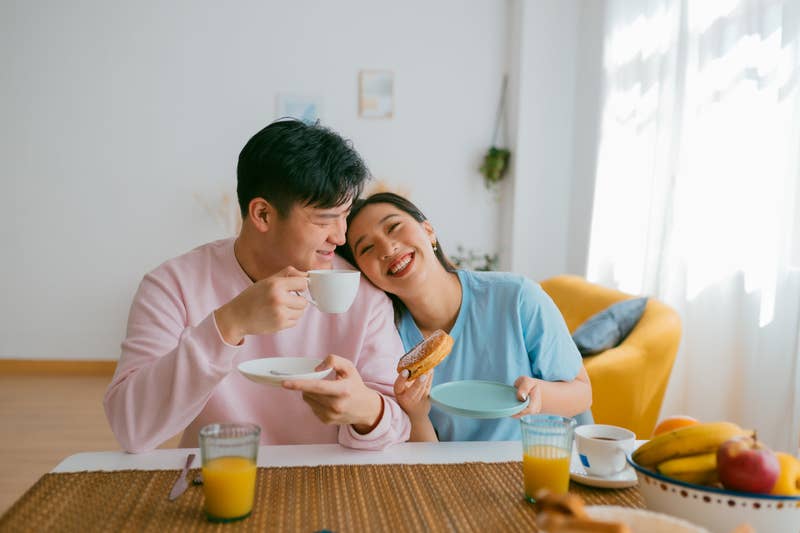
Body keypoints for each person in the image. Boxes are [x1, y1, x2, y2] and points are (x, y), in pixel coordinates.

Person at [104, 120, 411, 453]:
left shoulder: (360, 294)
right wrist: (229, 323)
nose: (340, 236)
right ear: (262, 214)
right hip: (217, 478)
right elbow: (130, 427)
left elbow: (401, 423)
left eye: (345, 215)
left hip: (331, 485)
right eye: (324, 219)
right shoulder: (172, 286)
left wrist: (367, 411)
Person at [338, 192, 592, 442]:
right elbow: (428, 463)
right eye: (367, 248)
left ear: (428, 231)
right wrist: (416, 416)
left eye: (393, 227)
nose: (386, 247)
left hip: (536, 467)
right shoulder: (387, 339)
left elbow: (583, 393)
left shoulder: (516, 297)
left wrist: (540, 397)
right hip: (457, 476)